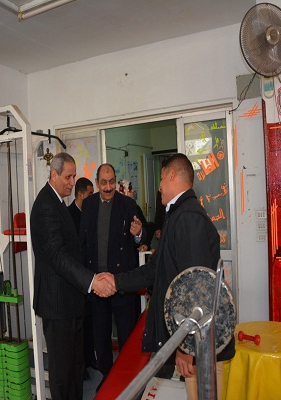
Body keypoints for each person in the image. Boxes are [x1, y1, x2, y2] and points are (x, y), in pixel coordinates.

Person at [101, 153, 235, 399]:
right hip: (195, 341)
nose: (160, 186)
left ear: (172, 175)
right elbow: (155, 270)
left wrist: (187, 347)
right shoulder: (178, 214)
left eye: (162, 178)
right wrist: (116, 281)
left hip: (200, 345)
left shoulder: (188, 218)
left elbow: (197, 287)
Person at [30, 153, 115, 400]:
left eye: (74, 176)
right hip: (57, 305)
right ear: (54, 175)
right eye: (68, 177)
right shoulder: (46, 205)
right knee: (62, 372)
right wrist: (91, 281)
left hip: (70, 301)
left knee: (76, 367)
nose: (72, 182)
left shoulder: (58, 202)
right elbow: (58, 256)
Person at [80, 163, 146, 390]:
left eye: (111, 182)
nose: (108, 187)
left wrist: (138, 234)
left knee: (127, 335)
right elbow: (83, 242)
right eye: (104, 183)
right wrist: (86, 279)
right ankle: (107, 377)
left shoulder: (128, 204)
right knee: (101, 335)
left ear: (115, 181)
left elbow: (143, 234)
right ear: (97, 183)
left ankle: (127, 381)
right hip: (97, 284)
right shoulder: (88, 205)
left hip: (121, 283)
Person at [67, 176, 97, 380]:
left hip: (91, 274)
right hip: (77, 276)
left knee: (91, 321)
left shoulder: (90, 213)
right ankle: (82, 365)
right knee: (79, 325)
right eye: (90, 194)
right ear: (80, 194)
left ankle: (91, 358)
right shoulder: (69, 215)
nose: (92, 198)